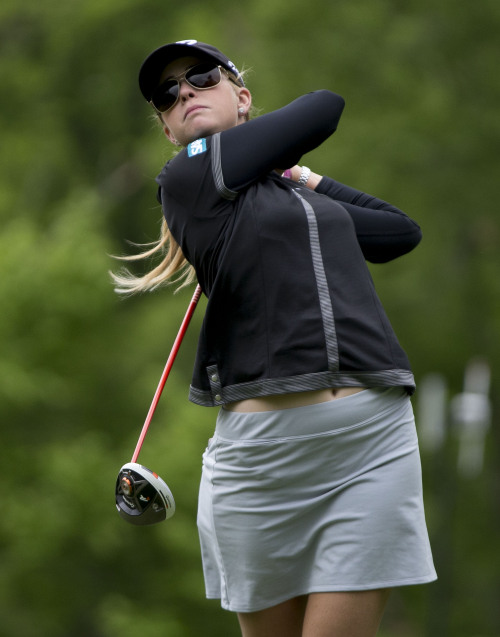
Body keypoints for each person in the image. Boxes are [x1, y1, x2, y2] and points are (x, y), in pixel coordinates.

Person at [115, 39, 437, 637]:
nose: (184, 92)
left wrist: (303, 176)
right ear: (165, 128)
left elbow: (399, 233)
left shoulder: (287, 190)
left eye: (201, 77)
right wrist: (282, 159)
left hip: (369, 444)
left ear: (242, 97)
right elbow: (323, 107)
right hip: (260, 462)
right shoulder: (184, 174)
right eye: (167, 94)